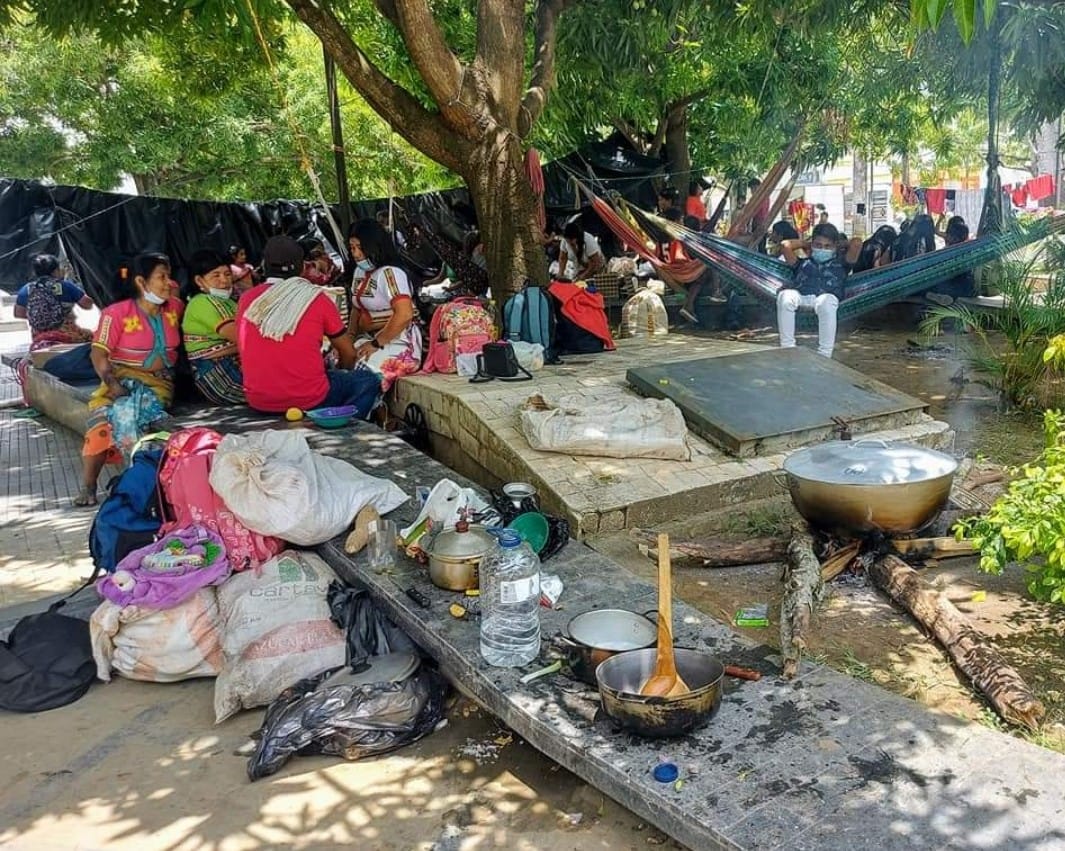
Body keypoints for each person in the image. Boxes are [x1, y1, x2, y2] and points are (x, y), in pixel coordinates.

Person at [76, 252, 184, 506]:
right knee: (101, 427)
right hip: (119, 381)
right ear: (141, 282)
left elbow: (175, 290)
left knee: (137, 418)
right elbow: (98, 352)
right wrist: (112, 384)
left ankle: (135, 482)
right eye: (161, 277)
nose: (168, 282)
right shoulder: (115, 314)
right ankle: (89, 486)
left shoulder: (174, 308)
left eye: (169, 276)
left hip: (159, 386)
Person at [237, 266, 379, 418]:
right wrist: (343, 370)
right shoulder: (315, 298)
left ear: (265, 265)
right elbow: (348, 353)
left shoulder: (246, 298)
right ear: (302, 267)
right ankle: (346, 425)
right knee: (368, 380)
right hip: (310, 399)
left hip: (259, 401)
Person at [348, 218, 423, 391]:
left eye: (360, 248)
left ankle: (367, 412)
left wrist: (376, 343)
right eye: (352, 248)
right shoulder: (360, 272)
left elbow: (404, 314)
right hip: (369, 339)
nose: (356, 253)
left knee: (365, 375)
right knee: (337, 361)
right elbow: (356, 308)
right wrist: (348, 339)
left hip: (399, 342)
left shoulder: (391, 274)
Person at [776, 223, 862, 358]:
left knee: (826, 301)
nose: (822, 249)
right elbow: (785, 245)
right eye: (818, 245)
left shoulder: (842, 264)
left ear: (835, 247)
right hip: (802, 297)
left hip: (826, 299)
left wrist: (837, 245)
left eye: (827, 246)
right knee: (785, 296)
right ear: (812, 245)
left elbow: (857, 243)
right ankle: (788, 348)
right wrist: (806, 243)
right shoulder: (802, 263)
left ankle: (824, 355)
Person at [182, 248, 245, 405]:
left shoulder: (230, 301)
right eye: (216, 275)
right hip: (220, 375)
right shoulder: (202, 302)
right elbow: (244, 337)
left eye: (227, 274)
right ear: (199, 281)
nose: (224, 280)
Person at [14, 254, 95, 348]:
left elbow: (19, 313)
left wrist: (42, 316)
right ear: (55, 271)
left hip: (39, 337)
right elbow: (87, 305)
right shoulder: (65, 285)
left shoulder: (27, 289)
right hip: (66, 334)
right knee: (91, 338)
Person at [926, 217, 975, 306]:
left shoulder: (950, 252)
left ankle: (933, 295)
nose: (946, 237)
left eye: (948, 235)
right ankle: (943, 296)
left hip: (953, 286)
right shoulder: (967, 249)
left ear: (954, 238)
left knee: (925, 287)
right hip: (966, 289)